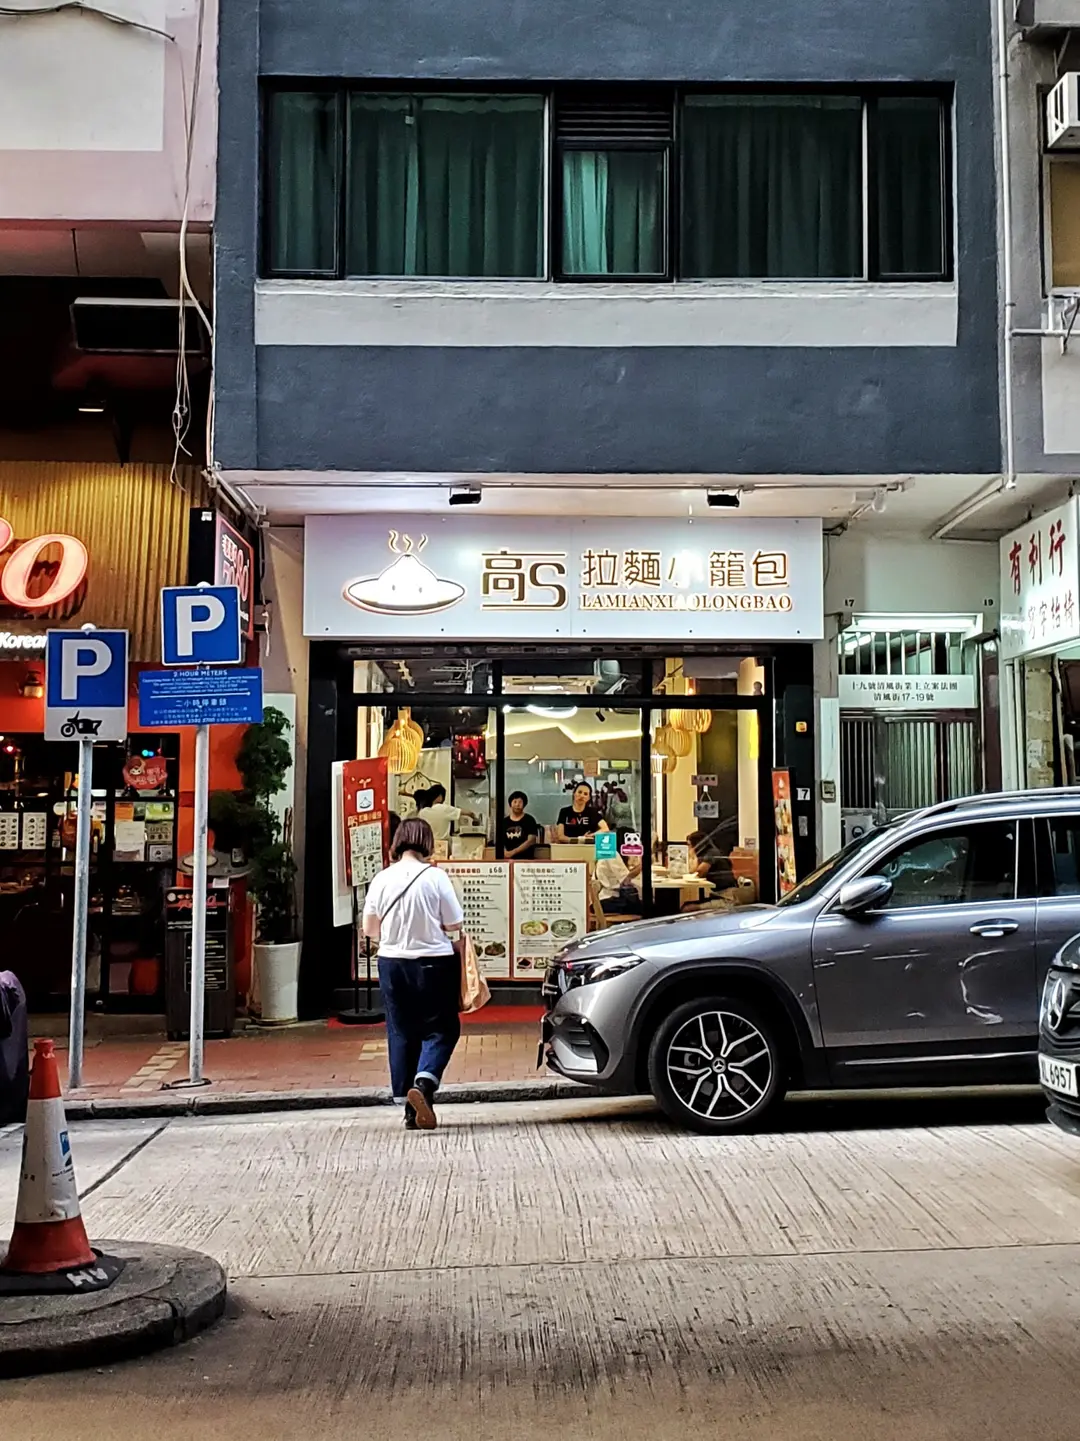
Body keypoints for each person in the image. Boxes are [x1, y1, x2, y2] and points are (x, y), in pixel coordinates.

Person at [362, 818, 464, 1131]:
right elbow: (454, 924)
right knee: (442, 1029)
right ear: (427, 842)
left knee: (401, 1031)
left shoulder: (382, 878)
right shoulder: (436, 877)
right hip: (434, 963)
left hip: (392, 963)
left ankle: (410, 1108)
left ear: (398, 842)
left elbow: (369, 929)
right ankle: (424, 1083)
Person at [687, 829, 738, 896]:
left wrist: (693, 856)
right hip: (716, 890)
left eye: (689, 845)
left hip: (726, 892)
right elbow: (692, 871)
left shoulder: (712, 853)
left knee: (690, 904)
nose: (689, 847)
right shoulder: (703, 854)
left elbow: (699, 872)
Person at [499, 791, 540, 858]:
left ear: (524, 804)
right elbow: (499, 840)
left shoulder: (530, 820)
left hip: (526, 860)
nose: (517, 804)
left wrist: (513, 852)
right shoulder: (504, 822)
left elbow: (531, 840)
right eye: (515, 802)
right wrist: (505, 852)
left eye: (520, 802)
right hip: (507, 859)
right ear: (510, 804)